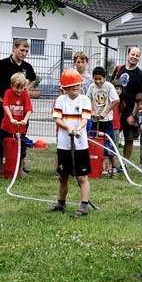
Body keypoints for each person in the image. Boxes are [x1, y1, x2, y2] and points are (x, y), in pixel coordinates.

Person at [47, 68, 93, 218]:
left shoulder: (84, 100)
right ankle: (61, 203)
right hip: (64, 144)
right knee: (63, 176)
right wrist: (67, 127)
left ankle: (84, 206)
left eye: (78, 85)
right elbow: (57, 118)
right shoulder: (60, 100)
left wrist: (78, 128)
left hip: (80, 145)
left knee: (82, 177)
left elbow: (85, 119)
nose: (76, 88)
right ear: (65, 88)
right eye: (72, 86)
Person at [0, 39, 37, 173]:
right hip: (4, 104)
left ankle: (19, 162)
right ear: (15, 48)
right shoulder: (1, 64)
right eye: (22, 50)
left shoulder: (27, 67)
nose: (24, 53)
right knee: (1, 135)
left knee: (20, 134)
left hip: (20, 107)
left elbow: (33, 79)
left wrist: (26, 89)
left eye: (26, 51)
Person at [110, 47, 142, 164]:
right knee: (112, 137)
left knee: (129, 139)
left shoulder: (140, 75)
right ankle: (112, 164)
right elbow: (110, 88)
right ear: (128, 55)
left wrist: (133, 115)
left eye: (137, 55)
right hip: (116, 110)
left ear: (139, 58)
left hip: (130, 111)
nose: (134, 57)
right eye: (132, 54)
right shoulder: (118, 70)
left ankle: (124, 164)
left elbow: (140, 97)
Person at [87, 67, 120, 177]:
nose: (98, 81)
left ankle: (113, 168)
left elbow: (116, 101)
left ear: (105, 78)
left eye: (100, 79)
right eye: (95, 79)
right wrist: (91, 111)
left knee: (109, 144)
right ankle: (96, 166)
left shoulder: (109, 86)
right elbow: (89, 99)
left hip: (107, 121)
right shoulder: (92, 87)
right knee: (94, 143)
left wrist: (105, 112)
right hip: (95, 120)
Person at [1, 72, 33, 173]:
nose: (19, 90)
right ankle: (4, 167)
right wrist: (10, 118)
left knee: (22, 147)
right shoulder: (8, 93)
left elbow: (29, 109)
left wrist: (25, 120)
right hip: (8, 126)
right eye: (17, 88)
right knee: (4, 146)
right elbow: (5, 105)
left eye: (21, 88)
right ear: (12, 86)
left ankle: (20, 168)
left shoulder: (25, 94)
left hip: (20, 127)